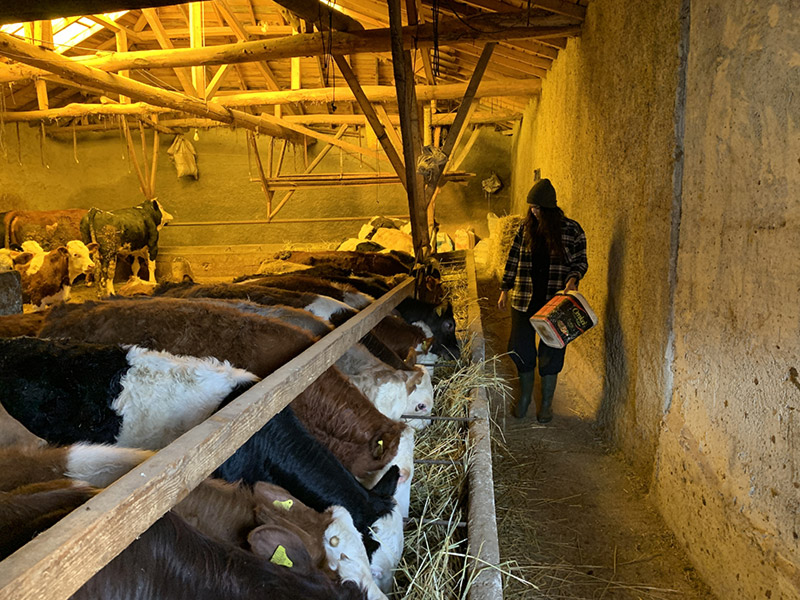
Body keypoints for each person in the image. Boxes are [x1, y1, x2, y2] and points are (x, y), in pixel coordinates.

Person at [497, 178, 587, 422]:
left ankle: (546, 403)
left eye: (538, 208)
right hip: (525, 297)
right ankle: (526, 395)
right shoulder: (525, 229)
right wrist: (505, 289)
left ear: (549, 209)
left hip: (554, 302)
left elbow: (580, 261)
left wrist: (573, 279)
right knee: (519, 346)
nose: (534, 212)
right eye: (531, 208)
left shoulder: (571, 230)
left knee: (552, 348)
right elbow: (513, 259)